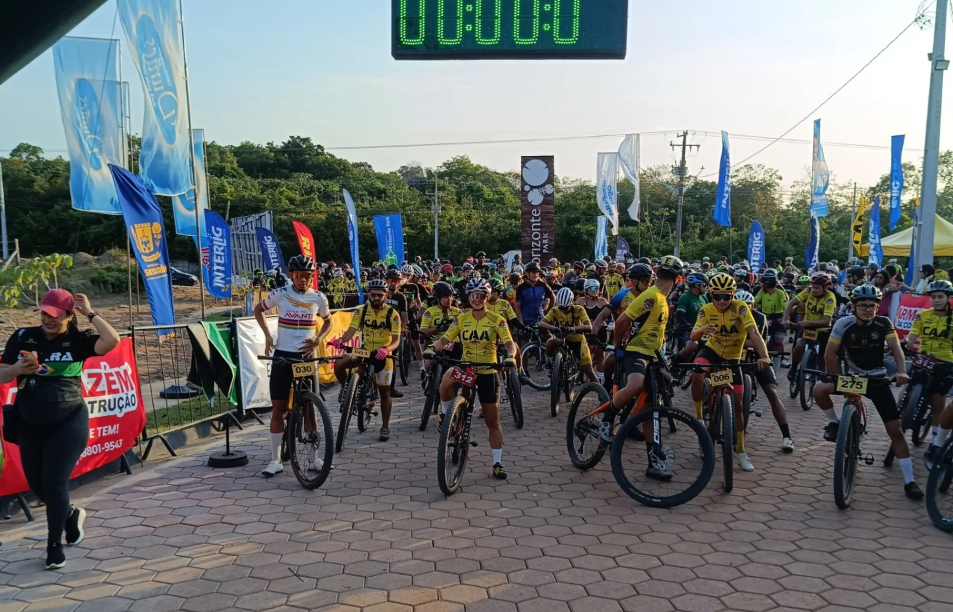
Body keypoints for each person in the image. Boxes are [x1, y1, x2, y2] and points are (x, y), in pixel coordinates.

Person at [0, 289, 120, 569]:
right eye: (44, 314)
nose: (48, 320)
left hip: (69, 421)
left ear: (68, 316)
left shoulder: (77, 340)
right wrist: (18, 369)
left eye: (55, 315)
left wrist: (89, 312)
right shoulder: (21, 337)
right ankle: (69, 513)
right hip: (28, 424)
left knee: (54, 483)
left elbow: (111, 341)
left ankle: (54, 545)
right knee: (39, 487)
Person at [813, 285, 922, 500]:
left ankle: (910, 481)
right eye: (863, 305)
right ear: (853, 306)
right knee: (818, 389)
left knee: (895, 430)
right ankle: (835, 422)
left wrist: (901, 370)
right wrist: (840, 379)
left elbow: (896, 349)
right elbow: (830, 355)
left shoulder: (883, 323)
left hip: (876, 378)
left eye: (873, 306)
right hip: (852, 378)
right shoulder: (843, 324)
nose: (868, 309)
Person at [426, 279, 518, 479]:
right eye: (473, 295)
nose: (477, 299)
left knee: (492, 421)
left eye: (481, 296)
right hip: (467, 369)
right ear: (468, 297)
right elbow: (445, 339)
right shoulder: (461, 319)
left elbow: (510, 344)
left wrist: (510, 357)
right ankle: (444, 415)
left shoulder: (497, 319)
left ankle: (497, 463)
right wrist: (432, 349)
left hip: (487, 371)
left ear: (487, 297)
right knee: (447, 378)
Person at [255, 255, 333, 478]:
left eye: (308, 276)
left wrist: (318, 339)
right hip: (282, 357)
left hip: (305, 358)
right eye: (299, 276)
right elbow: (258, 310)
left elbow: (328, 321)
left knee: (310, 407)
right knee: (279, 408)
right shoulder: (280, 294)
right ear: (292, 275)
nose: (303, 280)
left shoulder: (318, 297)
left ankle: (313, 458)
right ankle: (275, 460)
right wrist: (268, 336)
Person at [608, 256, 683, 480]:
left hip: (653, 356)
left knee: (651, 409)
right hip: (636, 352)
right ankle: (607, 419)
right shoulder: (651, 296)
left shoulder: (661, 298)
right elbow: (622, 321)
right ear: (678, 279)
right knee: (635, 385)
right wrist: (618, 346)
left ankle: (653, 461)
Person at [689, 275, 772, 472]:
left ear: (733, 295)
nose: (722, 301)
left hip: (734, 357)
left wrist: (765, 357)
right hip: (713, 350)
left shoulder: (741, 307)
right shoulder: (706, 309)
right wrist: (703, 329)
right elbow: (693, 336)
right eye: (718, 296)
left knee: (738, 405)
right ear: (711, 294)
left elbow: (754, 333)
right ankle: (699, 416)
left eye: (727, 296)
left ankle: (740, 450)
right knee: (698, 370)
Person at [331, 279, 401, 441]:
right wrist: (342, 340)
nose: (376, 298)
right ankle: (346, 388)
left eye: (380, 295)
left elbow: (396, 340)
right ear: (368, 294)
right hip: (364, 350)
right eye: (373, 295)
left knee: (384, 392)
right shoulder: (361, 311)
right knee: (339, 364)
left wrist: (386, 349)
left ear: (385, 295)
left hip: (383, 353)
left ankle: (385, 427)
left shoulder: (393, 314)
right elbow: (351, 330)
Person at [736, 289, 794, 452]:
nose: (744, 309)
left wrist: (736, 341)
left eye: (748, 306)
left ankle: (787, 436)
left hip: (757, 358)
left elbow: (756, 342)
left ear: (753, 306)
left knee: (772, 392)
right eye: (741, 306)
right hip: (734, 358)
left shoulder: (759, 317)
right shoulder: (728, 315)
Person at [907, 280, 953, 469]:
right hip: (923, 357)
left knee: (938, 405)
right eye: (933, 297)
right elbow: (912, 335)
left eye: (940, 297)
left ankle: (935, 442)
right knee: (909, 389)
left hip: (945, 363)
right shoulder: (922, 315)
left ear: (949, 299)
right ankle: (907, 410)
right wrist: (908, 343)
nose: (936, 300)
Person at [539, 287, 599, 387]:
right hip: (562, 339)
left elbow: (589, 326)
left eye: (565, 308)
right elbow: (541, 323)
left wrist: (573, 329)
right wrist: (554, 328)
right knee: (550, 342)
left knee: (588, 370)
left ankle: (602, 397)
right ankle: (553, 365)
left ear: (571, 303)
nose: (563, 310)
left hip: (577, 340)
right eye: (560, 308)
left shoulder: (579, 309)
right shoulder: (555, 310)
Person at [783, 273, 836, 382]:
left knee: (822, 356)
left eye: (817, 288)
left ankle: (822, 377)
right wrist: (785, 319)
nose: (813, 290)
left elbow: (826, 321)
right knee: (799, 345)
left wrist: (807, 322)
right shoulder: (808, 291)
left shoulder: (830, 297)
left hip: (823, 329)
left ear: (826, 288)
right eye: (812, 287)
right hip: (808, 328)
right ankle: (793, 368)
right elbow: (791, 302)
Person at [513, 262, 555, 346]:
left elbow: (553, 297)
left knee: (552, 341)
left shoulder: (543, 285)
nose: (535, 274)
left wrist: (548, 313)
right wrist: (521, 324)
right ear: (527, 273)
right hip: (526, 320)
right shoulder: (521, 288)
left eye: (537, 272)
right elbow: (518, 307)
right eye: (533, 272)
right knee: (524, 345)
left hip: (540, 319)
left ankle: (554, 358)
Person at [753, 270, 789, 367]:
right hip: (765, 317)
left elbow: (785, 305)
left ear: (767, 284)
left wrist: (786, 318)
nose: (761, 284)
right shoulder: (762, 292)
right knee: (763, 339)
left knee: (778, 341)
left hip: (778, 318)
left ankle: (781, 359)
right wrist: (757, 306)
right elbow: (754, 301)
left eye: (762, 283)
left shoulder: (780, 292)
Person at [576, 279, 610, 373]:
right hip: (584, 330)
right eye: (593, 288)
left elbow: (609, 316)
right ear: (586, 289)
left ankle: (599, 380)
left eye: (597, 288)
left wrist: (611, 323)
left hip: (600, 330)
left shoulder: (602, 301)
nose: (595, 290)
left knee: (600, 357)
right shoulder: (580, 301)